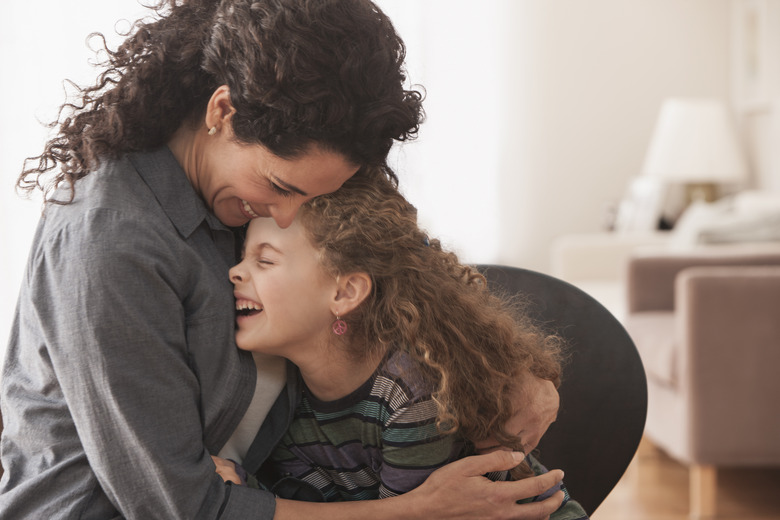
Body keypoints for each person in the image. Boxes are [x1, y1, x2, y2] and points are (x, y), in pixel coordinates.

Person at [0, 0, 563, 518]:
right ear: (223, 111)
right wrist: (418, 510)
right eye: (279, 186)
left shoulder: (275, 174)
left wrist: (515, 372)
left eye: (312, 198)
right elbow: (183, 511)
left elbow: (393, 255)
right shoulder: (113, 246)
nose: (289, 217)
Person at [219, 169, 588, 519]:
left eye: (264, 260)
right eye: (242, 258)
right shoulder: (285, 399)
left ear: (346, 291)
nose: (234, 271)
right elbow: (320, 505)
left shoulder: (410, 391)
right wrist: (240, 485)